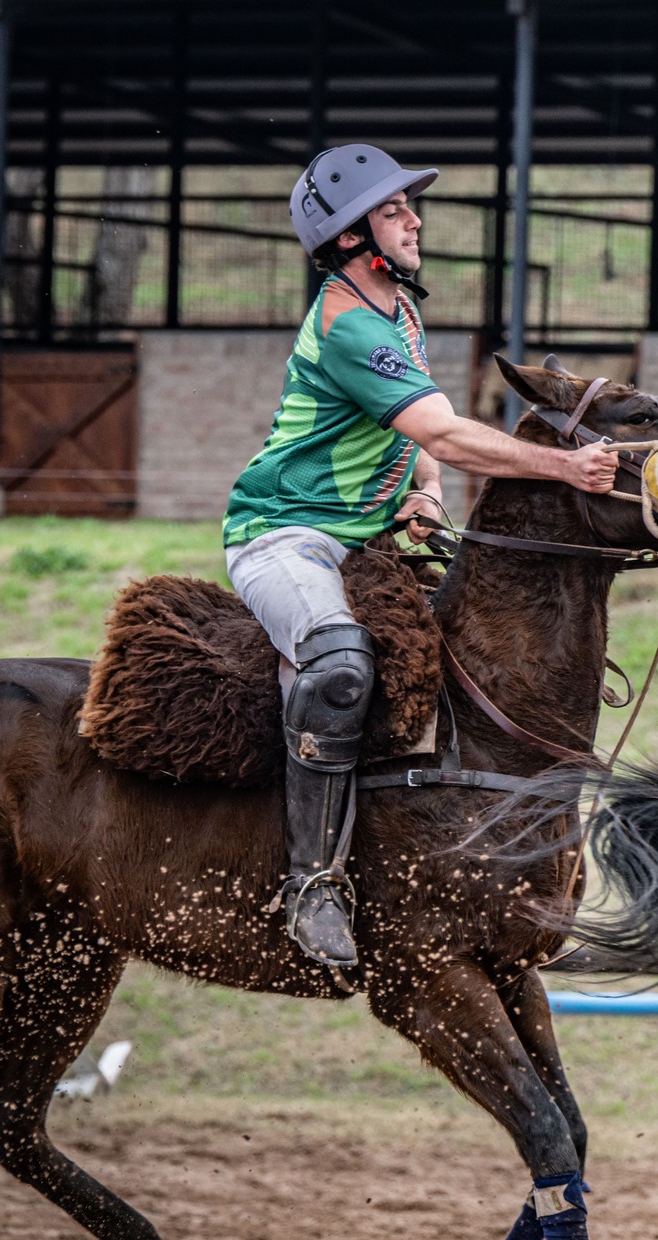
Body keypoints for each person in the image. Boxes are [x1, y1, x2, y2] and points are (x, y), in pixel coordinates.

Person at [223, 144, 617, 967]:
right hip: (283, 539)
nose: (415, 220)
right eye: (396, 210)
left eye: (410, 207)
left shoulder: (398, 311)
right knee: (338, 665)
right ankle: (312, 887)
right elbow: (441, 427)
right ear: (353, 234)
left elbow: (422, 439)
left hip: (361, 542)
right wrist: (564, 465)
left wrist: (427, 493)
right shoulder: (351, 324)